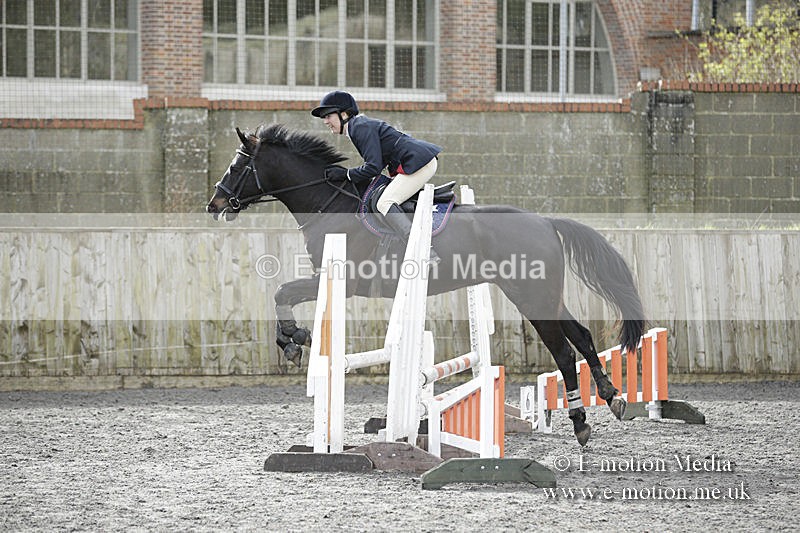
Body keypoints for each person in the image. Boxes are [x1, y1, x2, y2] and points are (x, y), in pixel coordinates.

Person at [311, 90, 442, 264]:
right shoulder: (358, 126)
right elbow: (376, 166)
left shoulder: (359, 127)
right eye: (324, 118)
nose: (326, 121)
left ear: (344, 114)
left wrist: (346, 174)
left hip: (419, 162)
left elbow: (372, 167)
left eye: (328, 116)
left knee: (384, 203)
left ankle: (421, 248)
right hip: (416, 161)